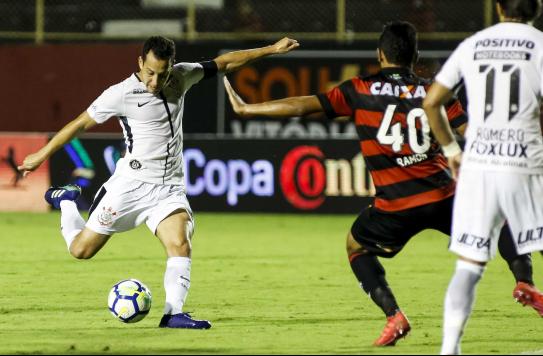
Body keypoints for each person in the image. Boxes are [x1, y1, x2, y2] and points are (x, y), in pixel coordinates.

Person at [223, 21, 543, 346]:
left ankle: (394, 315)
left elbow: (306, 105)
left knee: (355, 245)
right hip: (444, 195)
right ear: (415, 56)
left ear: (379, 54)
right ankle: (524, 282)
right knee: (504, 219)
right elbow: (472, 135)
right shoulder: (436, 92)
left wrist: (250, 108)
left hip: (395, 205)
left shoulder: (358, 90)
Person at [17, 35, 299, 329]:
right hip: (129, 187)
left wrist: (272, 49)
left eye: (162, 74)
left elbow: (225, 62)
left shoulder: (182, 76)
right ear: (140, 63)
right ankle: (67, 201)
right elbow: (79, 123)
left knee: (180, 243)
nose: (154, 81)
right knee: (80, 251)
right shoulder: (120, 94)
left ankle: (172, 313)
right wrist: (41, 154)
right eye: (150, 72)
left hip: (168, 188)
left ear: (171, 67)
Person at [423, 0, 543, 353]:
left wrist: (452, 151)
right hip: (525, 162)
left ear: (498, 7)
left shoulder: (474, 44)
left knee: (470, 265)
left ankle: (449, 348)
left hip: (479, 165)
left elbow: (432, 103)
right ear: (536, 8)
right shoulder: (539, 45)